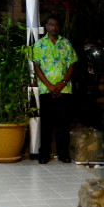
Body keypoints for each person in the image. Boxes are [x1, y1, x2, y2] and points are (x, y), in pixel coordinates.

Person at [31, 14, 77, 164]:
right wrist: (50, 86)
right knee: (46, 123)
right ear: (46, 26)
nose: (54, 28)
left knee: (62, 123)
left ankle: (63, 154)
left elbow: (72, 64)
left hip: (64, 89)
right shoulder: (39, 45)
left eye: (56, 25)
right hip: (46, 89)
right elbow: (37, 67)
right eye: (51, 25)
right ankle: (44, 154)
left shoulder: (66, 43)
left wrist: (63, 82)